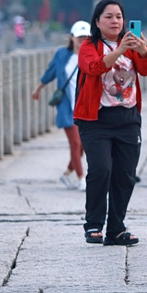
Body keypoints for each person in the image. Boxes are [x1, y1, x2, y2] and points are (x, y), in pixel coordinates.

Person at [74, 0, 147, 246]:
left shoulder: (132, 45)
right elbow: (94, 67)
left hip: (127, 118)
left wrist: (143, 51)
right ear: (97, 22)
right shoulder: (89, 46)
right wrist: (119, 51)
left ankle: (116, 229)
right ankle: (94, 224)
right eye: (108, 17)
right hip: (96, 119)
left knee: (125, 175)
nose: (115, 21)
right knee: (101, 169)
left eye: (119, 17)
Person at [32, 20, 92, 191]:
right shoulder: (62, 55)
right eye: (79, 37)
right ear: (72, 37)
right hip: (67, 107)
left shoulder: (93, 56)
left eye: (86, 37)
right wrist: (38, 89)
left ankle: (67, 174)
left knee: (83, 145)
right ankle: (82, 179)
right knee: (75, 143)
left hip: (85, 108)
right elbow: (50, 72)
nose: (82, 40)